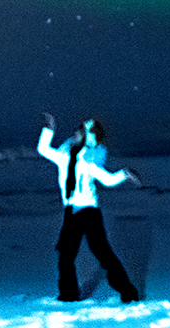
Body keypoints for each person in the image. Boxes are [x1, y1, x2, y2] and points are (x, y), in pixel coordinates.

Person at [37, 112, 142, 303]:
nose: (76, 132)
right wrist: (49, 128)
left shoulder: (89, 159)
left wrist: (124, 174)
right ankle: (68, 296)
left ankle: (128, 292)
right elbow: (43, 149)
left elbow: (107, 179)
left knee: (103, 253)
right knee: (65, 256)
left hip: (89, 212)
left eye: (81, 130)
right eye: (78, 129)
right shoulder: (64, 155)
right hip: (71, 212)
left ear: (88, 137)